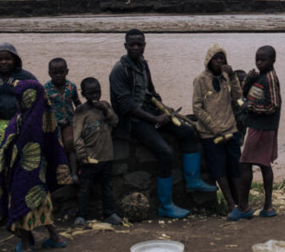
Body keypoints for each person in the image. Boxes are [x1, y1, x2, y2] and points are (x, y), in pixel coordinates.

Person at [109, 29, 216, 220]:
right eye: (132, 44)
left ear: (144, 45)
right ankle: (165, 205)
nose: (136, 47)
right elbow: (127, 106)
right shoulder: (119, 70)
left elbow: (151, 92)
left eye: (139, 44)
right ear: (125, 46)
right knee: (165, 152)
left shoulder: (143, 65)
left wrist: (163, 109)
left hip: (150, 113)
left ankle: (193, 181)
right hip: (133, 121)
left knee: (187, 132)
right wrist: (155, 119)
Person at [0, 80, 72, 252]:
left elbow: (6, 147)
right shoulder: (45, 118)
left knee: (21, 206)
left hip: (21, 174)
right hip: (39, 174)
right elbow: (54, 146)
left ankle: (26, 244)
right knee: (42, 203)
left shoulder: (21, 120)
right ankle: (56, 238)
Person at [229, 46, 281, 221]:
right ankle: (267, 206)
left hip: (262, 127)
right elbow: (246, 94)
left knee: (245, 163)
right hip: (259, 125)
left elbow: (273, 105)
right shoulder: (261, 77)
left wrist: (250, 107)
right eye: (257, 59)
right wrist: (249, 81)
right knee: (264, 164)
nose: (258, 63)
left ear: (272, 61)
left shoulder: (270, 79)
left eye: (262, 60)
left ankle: (243, 207)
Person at [192, 44, 243, 215]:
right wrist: (214, 128)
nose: (219, 61)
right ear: (209, 60)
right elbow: (197, 108)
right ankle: (230, 205)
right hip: (210, 134)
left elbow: (238, 97)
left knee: (235, 167)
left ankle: (242, 204)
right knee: (219, 169)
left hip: (230, 129)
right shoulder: (200, 80)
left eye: (222, 58)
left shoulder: (227, 77)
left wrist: (233, 75)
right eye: (216, 58)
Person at [72, 77, 122, 227]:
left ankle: (110, 213)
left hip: (106, 156)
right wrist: (81, 154)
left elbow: (115, 122)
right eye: (91, 93)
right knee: (85, 188)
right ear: (84, 95)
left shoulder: (105, 106)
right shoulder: (81, 111)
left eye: (97, 91)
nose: (95, 95)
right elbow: (77, 136)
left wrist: (105, 110)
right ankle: (81, 216)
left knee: (107, 187)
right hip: (89, 158)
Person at [0, 43, 37, 158]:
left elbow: (38, 96)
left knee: (20, 152)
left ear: (15, 60)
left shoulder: (26, 77)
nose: (4, 62)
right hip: (0, 121)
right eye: (0, 59)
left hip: (21, 122)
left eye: (8, 59)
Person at [44, 58, 82, 183]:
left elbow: (77, 103)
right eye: (55, 73)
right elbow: (44, 108)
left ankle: (74, 173)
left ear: (67, 71)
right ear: (49, 73)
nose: (58, 75)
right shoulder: (46, 89)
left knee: (70, 145)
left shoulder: (71, 87)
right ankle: (58, 175)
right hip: (54, 124)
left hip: (69, 122)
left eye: (61, 72)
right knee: (56, 148)